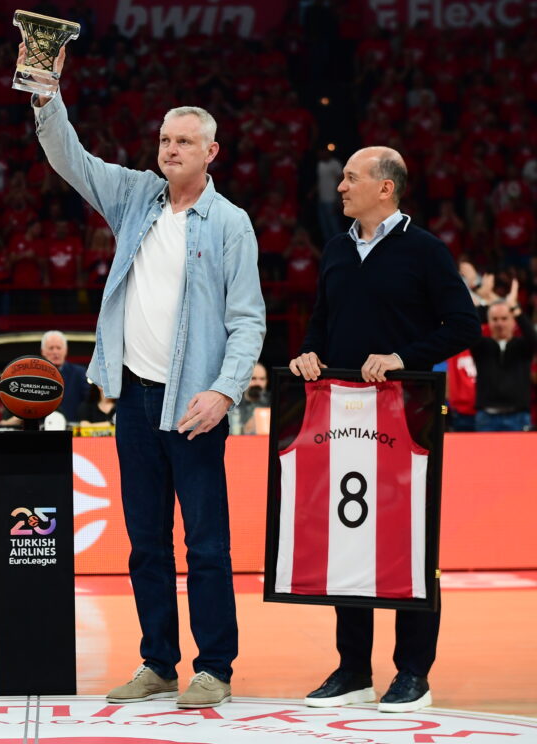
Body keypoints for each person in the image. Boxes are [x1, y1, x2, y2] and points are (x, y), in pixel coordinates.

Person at [27, 44, 265, 708]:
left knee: (207, 544)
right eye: (165, 139)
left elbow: (248, 319)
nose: (171, 149)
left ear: (211, 152)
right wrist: (46, 93)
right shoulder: (134, 196)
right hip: (132, 399)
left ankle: (214, 667)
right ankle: (157, 661)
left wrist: (224, 391)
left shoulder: (232, 224)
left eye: (184, 141)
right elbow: (71, 159)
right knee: (145, 544)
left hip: (194, 408)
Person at [290, 146, 479, 713]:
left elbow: (463, 324)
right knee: (348, 539)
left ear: (385, 188)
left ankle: (413, 673)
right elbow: (322, 322)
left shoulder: (426, 250)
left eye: (350, 178)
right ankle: (353, 670)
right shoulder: (335, 248)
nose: (340, 187)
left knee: (408, 544)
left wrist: (403, 358)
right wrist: (308, 353)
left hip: (407, 415)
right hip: (343, 418)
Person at [470, 280, 536, 432]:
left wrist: (515, 308)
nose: (500, 324)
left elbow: (533, 337)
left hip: (518, 416)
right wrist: (484, 303)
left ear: (513, 321)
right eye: (495, 319)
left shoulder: (523, 345)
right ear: (488, 321)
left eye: (504, 318)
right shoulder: (482, 346)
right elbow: (470, 331)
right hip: (486, 416)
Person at [0, 330, 90, 425]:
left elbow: (90, 402)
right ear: (43, 351)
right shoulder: (28, 374)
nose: (55, 352)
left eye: (59, 348)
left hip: (70, 427)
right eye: (51, 348)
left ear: (66, 350)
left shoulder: (80, 373)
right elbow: (4, 421)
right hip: (38, 428)